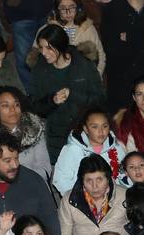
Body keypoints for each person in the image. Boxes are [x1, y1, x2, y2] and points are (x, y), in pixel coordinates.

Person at [28, 24, 105, 160]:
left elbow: (100, 100)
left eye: (48, 48)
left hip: (85, 136)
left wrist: (73, 95)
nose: (44, 53)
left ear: (60, 46)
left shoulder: (84, 64)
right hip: (56, 140)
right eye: (41, 48)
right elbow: (34, 106)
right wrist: (52, 101)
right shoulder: (39, 70)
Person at [0, 87, 54, 182]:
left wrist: (22, 181)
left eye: (16, 104)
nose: (13, 109)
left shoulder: (34, 129)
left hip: (32, 183)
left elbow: (45, 167)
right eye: (5, 105)